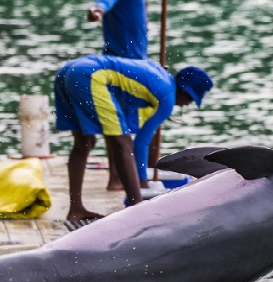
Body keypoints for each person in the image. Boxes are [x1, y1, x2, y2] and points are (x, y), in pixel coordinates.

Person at [54, 54, 214, 221]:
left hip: (68, 70)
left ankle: (76, 209)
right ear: (186, 93)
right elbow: (141, 143)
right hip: (90, 75)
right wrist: (142, 181)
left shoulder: (162, 78)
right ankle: (137, 212)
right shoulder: (168, 97)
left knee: (84, 144)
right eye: (190, 101)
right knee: (123, 143)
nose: (186, 105)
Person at [87, 0, 149, 191]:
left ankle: (127, 176)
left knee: (126, 124)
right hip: (120, 64)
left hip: (135, 62)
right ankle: (120, 178)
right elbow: (104, 3)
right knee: (118, 126)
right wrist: (97, 10)